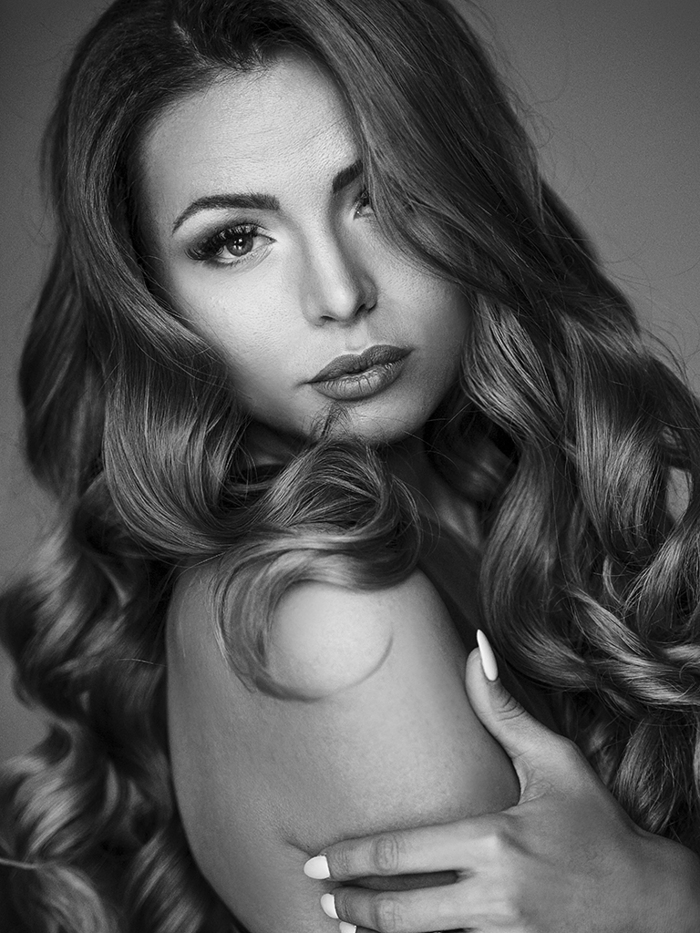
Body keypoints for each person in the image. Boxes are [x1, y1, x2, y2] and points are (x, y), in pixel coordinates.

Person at [1, 0, 699, 931]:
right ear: (152, 299)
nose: (340, 292)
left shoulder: (483, 503)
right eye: (234, 239)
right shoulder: (326, 611)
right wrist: (667, 901)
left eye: (381, 196)